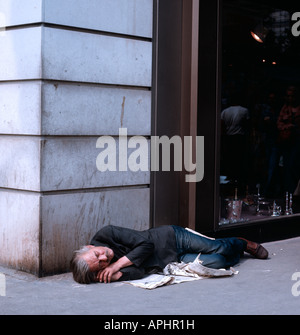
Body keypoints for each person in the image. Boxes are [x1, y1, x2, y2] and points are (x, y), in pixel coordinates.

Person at [70, 225, 269, 284]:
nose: (104, 258)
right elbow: (141, 272)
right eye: (101, 265)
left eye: (97, 255)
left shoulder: (106, 234)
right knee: (217, 262)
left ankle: (242, 243)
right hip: (172, 260)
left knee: (220, 248)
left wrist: (116, 265)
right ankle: (238, 253)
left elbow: (145, 244)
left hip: (172, 238)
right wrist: (118, 274)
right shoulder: (109, 271)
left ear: (89, 246)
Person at [277, 85, 300, 194]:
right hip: (287, 141)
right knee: (286, 166)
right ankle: (289, 192)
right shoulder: (285, 108)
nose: (290, 98)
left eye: (292, 96)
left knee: (293, 165)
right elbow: (279, 123)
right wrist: (288, 126)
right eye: (288, 96)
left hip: (297, 141)